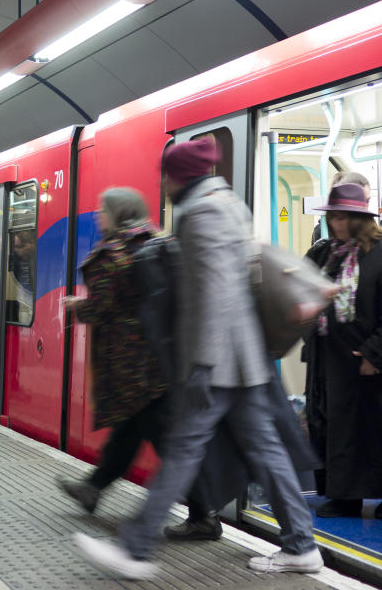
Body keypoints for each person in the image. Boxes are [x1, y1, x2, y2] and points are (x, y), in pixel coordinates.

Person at [75, 136, 322, 579]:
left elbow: (213, 292)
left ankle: (135, 548)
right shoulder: (226, 202)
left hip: (220, 361)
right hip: (243, 360)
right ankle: (301, 546)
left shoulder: (202, 213)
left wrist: (202, 365)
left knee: (186, 448)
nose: (163, 185)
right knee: (266, 450)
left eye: (165, 176)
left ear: (176, 176)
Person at [303, 183, 382, 520]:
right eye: (333, 218)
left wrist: (374, 351)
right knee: (338, 428)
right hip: (332, 357)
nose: (337, 224)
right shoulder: (325, 253)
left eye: (344, 218)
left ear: (359, 219)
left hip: (375, 360)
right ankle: (344, 495)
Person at [59, 188, 169, 514]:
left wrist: (80, 304)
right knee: (132, 427)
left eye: (102, 210)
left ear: (118, 213)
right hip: (156, 358)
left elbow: (102, 307)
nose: (98, 216)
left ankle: (202, 511)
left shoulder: (113, 254)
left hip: (128, 362)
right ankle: (93, 487)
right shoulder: (155, 240)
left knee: (162, 438)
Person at [311, 171, 371, 244]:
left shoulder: (375, 243)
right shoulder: (322, 248)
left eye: (367, 201)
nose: (337, 223)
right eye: (336, 216)